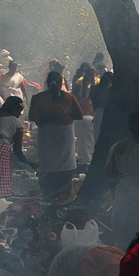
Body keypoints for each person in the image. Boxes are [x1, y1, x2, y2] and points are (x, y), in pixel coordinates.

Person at [105, 111, 139, 248]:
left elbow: (111, 176)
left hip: (121, 198)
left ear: (129, 128)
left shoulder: (117, 146)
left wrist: (116, 198)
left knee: (122, 243)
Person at [29, 70, 84, 202]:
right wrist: (63, 115)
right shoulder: (70, 98)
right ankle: (63, 197)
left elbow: (31, 116)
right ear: (61, 84)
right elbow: (79, 115)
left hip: (46, 135)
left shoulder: (37, 98)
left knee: (47, 165)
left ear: (47, 84)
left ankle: (49, 197)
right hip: (65, 135)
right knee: (64, 166)